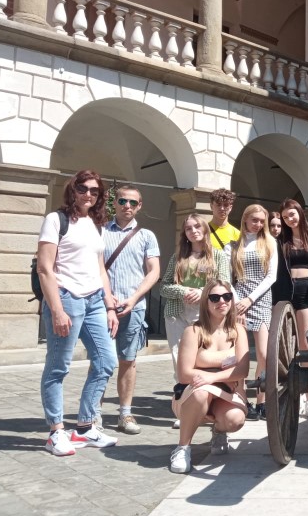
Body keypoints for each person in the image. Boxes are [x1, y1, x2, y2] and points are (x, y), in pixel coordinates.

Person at [37, 170, 119, 456]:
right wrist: (57, 310)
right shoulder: (56, 220)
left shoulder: (96, 224)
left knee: (106, 361)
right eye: (83, 188)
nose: (88, 194)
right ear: (72, 189)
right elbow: (45, 268)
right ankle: (55, 432)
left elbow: (100, 268)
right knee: (58, 366)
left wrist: (109, 305)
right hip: (66, 298)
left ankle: (84, 427)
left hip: (95, 300)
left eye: (95, 191)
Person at [170, 280, 249, 473]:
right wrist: (220, 378)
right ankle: (182, 447)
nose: (222, 301)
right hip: (193, 394)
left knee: (235, 419)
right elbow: (184, 374)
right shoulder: (193, 331)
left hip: (226, 394)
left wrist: (211, 378)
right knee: (201, 393)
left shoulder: (239, 330)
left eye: (227, 297)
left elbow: (243, 369)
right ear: (206, 302)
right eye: (215, 298)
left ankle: (220, 431)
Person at [103, 185, 160, 435]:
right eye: (123, 201)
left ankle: (125, 414)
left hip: (133, 307)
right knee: (100, 361)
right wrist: (107, 297)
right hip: (102, 307)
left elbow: (154, 271)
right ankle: (93, 413)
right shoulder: (101, 232)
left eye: (133, 202)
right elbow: (93, 268)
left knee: (128, 360)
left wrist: (134, 299)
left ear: (139, 206)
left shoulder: (146, 236)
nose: (128, 206)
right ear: (114, 203)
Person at [272, 199, 308, 420]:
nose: (290, 219)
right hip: (286, 294)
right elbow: (276, 272)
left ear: (300, 213)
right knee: (287, 347)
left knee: (307, 345)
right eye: (285, 217)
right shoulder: (280, 241)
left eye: (292, 214)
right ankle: (292, 396)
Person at [161, 215, 232, 389]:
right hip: (177, 312)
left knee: (204, 354)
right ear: (184, 233)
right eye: (188, 228)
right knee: (179, 354)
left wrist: (202, 292)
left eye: (197, 226)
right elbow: (164, 286)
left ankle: (204, 389)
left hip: (206, 312)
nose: (193, 231)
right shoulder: (178, 257)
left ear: (205, 229)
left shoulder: (217, 256)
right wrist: (183, 291)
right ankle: (183, 391)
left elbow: (225, 283)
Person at [231, 204, 277, 421]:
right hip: (238, 299)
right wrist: (238, 301)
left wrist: (251, 299)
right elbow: (228, 278)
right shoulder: (235, 244)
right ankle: (242, 399)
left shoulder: (270, 242)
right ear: (246, 219)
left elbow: (271, 276)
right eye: (254, 220)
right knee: (239, 354)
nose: (258, 224)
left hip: (260, 298)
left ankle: (262, 401)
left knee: (264, 354)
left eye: (261, 221)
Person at [207, 188, 240, 255]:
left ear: (230, 208)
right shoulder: (203, 230)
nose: (222, 208)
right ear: (211, 206)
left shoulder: (237, 234)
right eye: (218, 204)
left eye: (226, 205)